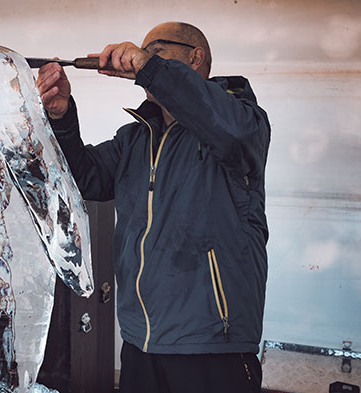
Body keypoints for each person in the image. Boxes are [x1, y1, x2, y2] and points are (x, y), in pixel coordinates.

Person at [36, 22, 270, 393]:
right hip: (140, 343)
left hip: (211, 346)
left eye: (157, 51)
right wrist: (61, 118)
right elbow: (84, 178)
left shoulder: (242, 120)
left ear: (196, 57)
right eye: (144, 54)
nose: (142, 62)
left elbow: (229, 128)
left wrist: (149, 66)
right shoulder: (135, 136)